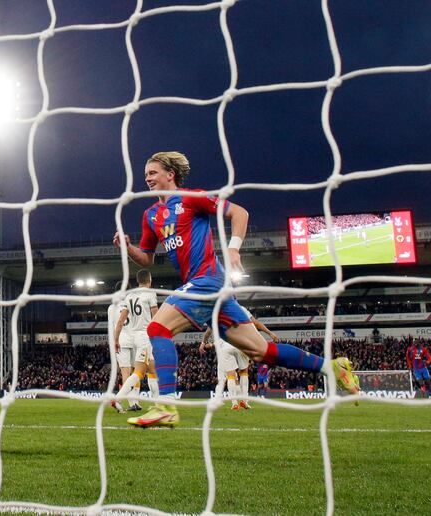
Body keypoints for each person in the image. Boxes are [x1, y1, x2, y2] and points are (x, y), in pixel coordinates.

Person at [113, 151, 360, 427]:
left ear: (170, 175)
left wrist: (233, 249)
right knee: (261, 351)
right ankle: (332, 367)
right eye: (146, 174)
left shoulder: (192, 197)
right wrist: (128, 248)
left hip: (208, 280)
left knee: (157, 329)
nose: (147, 178)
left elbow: (239, 212)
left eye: (153, 172)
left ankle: (166, 406)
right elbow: (147, 257)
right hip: (208, 288)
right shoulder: (150, 215)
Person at [111, 270, 166, 422]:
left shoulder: (130, 296)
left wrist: (116, 339)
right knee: (140, 372)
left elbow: (121, 320)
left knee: (152, 369)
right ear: (149, 280)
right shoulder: (150, 294)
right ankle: (118, 398)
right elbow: (156, 316)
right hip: (145, 337)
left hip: (134, 336)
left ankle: (158, 406)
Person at [200, 306, 278, 410]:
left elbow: (209, 329)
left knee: (230, 375)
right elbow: (256, 323)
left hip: (225, 346)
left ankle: (234, 403)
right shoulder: (241, 309)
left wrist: (203, 342)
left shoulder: (218, 310)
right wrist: (269, 333)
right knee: (244, 372)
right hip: (240, 343)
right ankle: (244, 401)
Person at [107, 281, 140, 412]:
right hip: (135, 340)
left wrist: (113, 342)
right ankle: (134, 402)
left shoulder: (112, 307)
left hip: (120, 341)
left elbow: (112, 328)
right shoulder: (132, 304)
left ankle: (132, 403)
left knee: (125, 373)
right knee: (135, 372)